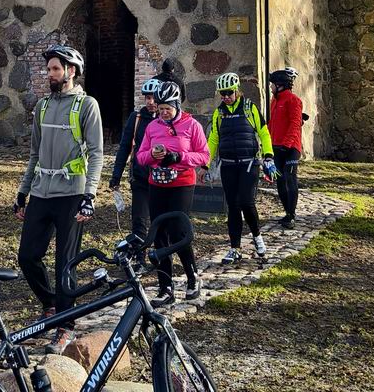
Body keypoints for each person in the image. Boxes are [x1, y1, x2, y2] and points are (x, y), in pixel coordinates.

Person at [14, 44, 104, 354]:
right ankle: (51, 304)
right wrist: (22, 192)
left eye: (55, 69)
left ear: (71, 71)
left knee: (66, 264)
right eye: (48, 69)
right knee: (27, 256)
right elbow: (34, 154)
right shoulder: (41, 107)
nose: (49, 74)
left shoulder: (87, 105)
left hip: (72, 195)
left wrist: (90, 195)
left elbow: (96, 154)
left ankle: (65, 326)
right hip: (41, 192)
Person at [136, 81, 209, 306]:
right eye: (160, 109)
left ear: (177, 105)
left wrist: (179, 158)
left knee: (178, 232)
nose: (163, 113)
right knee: (159, 233)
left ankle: (192, 276)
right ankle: (165, 286)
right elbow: (140, 157)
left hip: (182, 183)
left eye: (168, 108)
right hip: (157, 183)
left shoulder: (191, 125)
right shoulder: (152, 127)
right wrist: (153, 156)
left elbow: (204, 156)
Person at [206, 72, 277, 265]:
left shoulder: (249, 108)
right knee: (233, 207)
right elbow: (213, 139)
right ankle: (234, 248)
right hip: (228, 165)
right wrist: (205, 163)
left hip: (249, 164)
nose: (225, 97)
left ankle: (257, 237)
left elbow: (263, 132)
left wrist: (268, 156)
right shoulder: (218, 113)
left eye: (228, 93)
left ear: (237, 90)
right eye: (222, 94)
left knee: (246, 201)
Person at [109, 78, 161, 252]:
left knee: (159, 219)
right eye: (147, 97)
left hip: (161, 179)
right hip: (139, 176)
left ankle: (161, 255)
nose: (150, 102)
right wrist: (116, 175)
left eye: (153, 97)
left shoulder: (165, 118)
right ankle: (139, 257)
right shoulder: (136, 118)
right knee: (139, 221)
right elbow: (124, 147)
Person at [268, 68, 303, 229]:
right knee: (280, 181)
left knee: (290, 179)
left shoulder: (293, 100)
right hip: (276, 146)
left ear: (280, 85)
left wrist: (286, 144)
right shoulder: (274, 100)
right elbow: (271, 123)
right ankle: (287, 212)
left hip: (290, 148)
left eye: (272, 84)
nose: (270, 87)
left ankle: (292, 214)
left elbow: (295, 124)